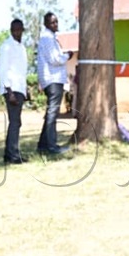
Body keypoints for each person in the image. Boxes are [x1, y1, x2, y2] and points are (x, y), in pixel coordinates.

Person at [37, 12, 72, 155]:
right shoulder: (47, 38)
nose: (55, 24)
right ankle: (52, 146)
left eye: (56, 22)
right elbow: (55, 59)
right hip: (52, 79)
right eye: (52, 22)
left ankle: (43, 145)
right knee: (53, 113)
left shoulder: (50, 38)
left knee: (50, 113)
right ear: (46, 24)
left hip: (53, 79)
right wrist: (68, 56)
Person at [0, 19, 29, 164]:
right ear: (11, 30)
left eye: (19, 29)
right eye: (14, 30)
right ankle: (13, 155)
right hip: (11, 88)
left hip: (19, 88)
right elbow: (3, 69)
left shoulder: (21, 47)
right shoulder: (7, 46)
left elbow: (21, 70)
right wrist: (8, 90)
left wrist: (26, 89)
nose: (17, 32)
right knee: (15, 122)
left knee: (16, 122)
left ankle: (9, 153)